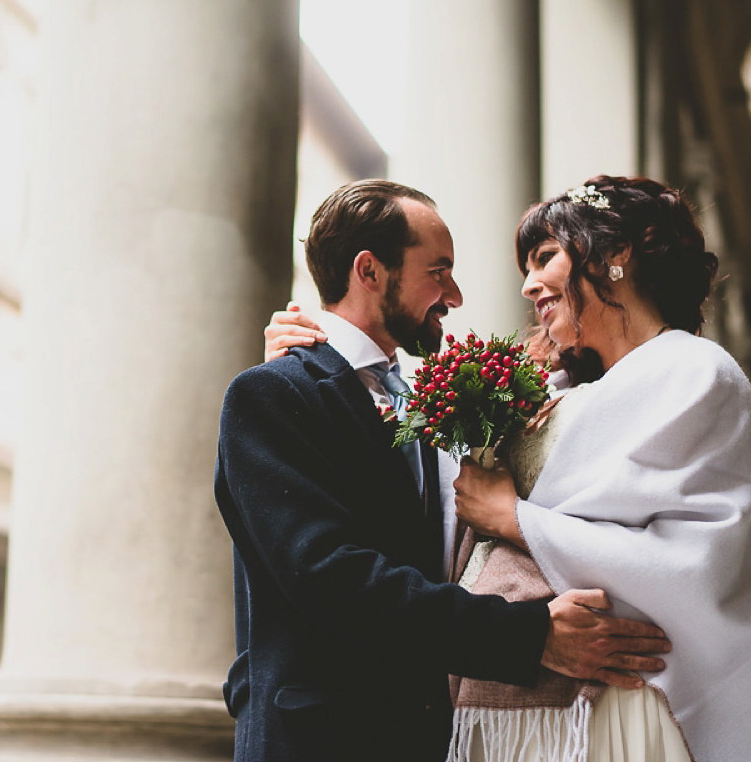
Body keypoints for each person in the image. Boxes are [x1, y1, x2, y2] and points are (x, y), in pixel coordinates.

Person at [266, 176, 751, 761]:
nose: (528, 283)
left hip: (625, 702)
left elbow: (701, 562)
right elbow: (423, 500)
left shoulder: (696, 372)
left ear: (616, 256)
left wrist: (516, 520)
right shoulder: (541, 395)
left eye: (546, 257)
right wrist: (315, 367)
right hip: (509, 714)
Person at [216, 179, 670, 762]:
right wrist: (531, 637)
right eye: (439, 271)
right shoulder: (273, 395)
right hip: (322, 739)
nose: (454, 295)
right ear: (369, 271)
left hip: (428, 738)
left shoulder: (432, 400)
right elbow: (330, 578)